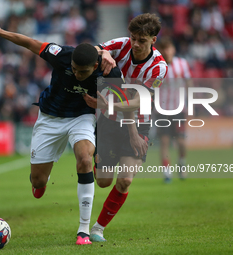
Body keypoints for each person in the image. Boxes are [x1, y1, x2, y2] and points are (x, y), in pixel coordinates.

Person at [0, 13, 123, 245]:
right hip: (49, 117)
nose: (76, 74)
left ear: (95, 66)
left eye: (82, 72)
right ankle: (40, 183)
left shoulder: (110, 73)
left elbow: (121, 107)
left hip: (81, 117)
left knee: (85, 159)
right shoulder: (63, 55)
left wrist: (101, 105)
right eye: (74, 69)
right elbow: (30, 42)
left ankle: (83, 231)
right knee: (37, 181)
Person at [84, 13, 168, 242]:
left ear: (154, 40)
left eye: (142, 40)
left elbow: (139, 100)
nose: (136, 44)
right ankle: (99, 162)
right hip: (109, 120)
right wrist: (104, 53)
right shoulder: (121, 44)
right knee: (103, 181)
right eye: (134, 38)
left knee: (126, 179)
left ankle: (98, 228)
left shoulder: (158, 68)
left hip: (139, 120)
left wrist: (107, 104)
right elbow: (92, 48)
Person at [155, 37, 192, 183]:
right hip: (162, 110)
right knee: (164, 141)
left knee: (181, 141)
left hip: (179, 109)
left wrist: (191, 103)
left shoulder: (182, 64)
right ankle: (167, 173)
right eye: (163, 49)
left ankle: (182, 163)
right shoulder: (157, 66)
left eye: (168, 48)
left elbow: (189, 83)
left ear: (173, 49)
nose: (166, 51)